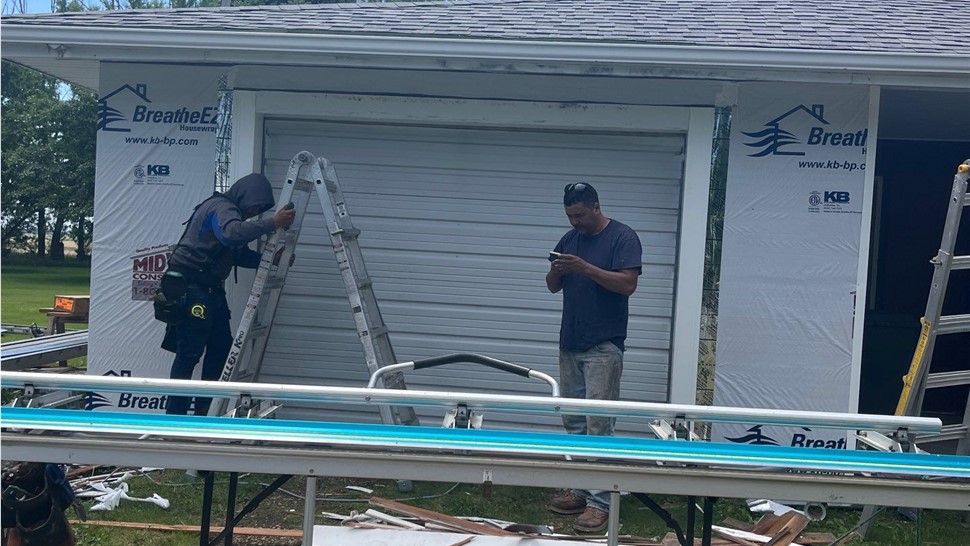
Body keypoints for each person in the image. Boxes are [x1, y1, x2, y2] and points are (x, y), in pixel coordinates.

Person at [544, 182, 642, 533]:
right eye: (570, 216)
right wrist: (558, 270)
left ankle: (603, 501)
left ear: (596, 207)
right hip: (570, 341)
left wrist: (584, 268)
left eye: (580, 215)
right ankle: (581, 489)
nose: (575, 223)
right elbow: (552, 286)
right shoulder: (569, 240)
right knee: (573, 421)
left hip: (604, 344)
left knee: (600, 424)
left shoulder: (622, 237)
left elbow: (627, 285)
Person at [158, 173, 295, 416]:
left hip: (209, 291)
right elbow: (231, 235)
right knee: (188, 353)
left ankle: (205, 412)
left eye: (259, 210)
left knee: (220, 349)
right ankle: (175, 418)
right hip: (192, 288)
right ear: (246, 196)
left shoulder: (229, 212)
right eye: (255, 206)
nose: (253, 212)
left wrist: (270, 259)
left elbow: (236, 254)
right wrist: (273, 223)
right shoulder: (222, 208)